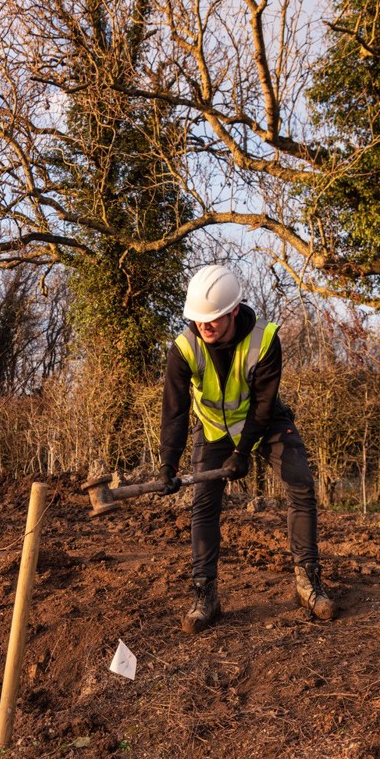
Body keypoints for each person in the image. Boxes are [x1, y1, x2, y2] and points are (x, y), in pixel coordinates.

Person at [159, 264, 336, 633]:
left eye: (213, 320)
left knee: (301, 483)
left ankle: (307, 582)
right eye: (199, 320)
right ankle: (205, 594)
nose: (204, 326)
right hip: (211, 429)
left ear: (234, 311)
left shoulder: (265, 338)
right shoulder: (183, 348)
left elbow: (263, 403)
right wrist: (168, 464)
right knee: (204, 504)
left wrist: (242, 453)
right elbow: (174, 412)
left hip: (264, 421)